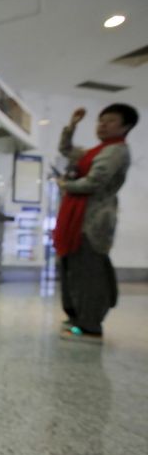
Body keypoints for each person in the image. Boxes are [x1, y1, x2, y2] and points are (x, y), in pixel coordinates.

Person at [54, 103, 138, 342]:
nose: (102, 124)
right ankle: (77, 318)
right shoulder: (97, 150)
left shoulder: (116, 151)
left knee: (89, 273)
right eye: (101, 120)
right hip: (76, 218)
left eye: (110, 120)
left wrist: (64, 185)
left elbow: (94, 182)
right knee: (73, 270)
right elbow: (66, 150)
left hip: (92, 221)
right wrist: (72, 126)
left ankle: (90, 326)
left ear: (126, 126)